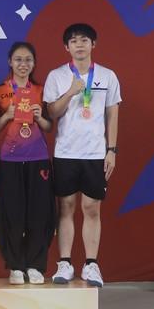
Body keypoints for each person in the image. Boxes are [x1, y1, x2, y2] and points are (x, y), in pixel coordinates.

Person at [44, 23, 121, 287]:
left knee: (91, 208)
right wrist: (70, 92)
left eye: (84, 40)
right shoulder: (57, 76)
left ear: (93, 44)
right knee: (65, 207)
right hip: (65, 151)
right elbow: (52, 113)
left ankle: (91, 265)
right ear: (66, 47)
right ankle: (65, 263)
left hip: (95, 153)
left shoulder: (107, 76)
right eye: (74, 41)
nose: (79, 44)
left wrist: (111, 150)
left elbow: (112, 114)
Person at [0, 42, 55, 284]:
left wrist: (39, 117)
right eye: (18, 59)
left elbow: (49, 126)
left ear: (34, 63)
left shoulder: (41, 90)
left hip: (38, 159)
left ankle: (35, 265)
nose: (23, 64)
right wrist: (7, 115)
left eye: (28, 60)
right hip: (10, 159)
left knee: (39, 213)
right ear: (10, 62)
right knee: (12, 214)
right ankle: (15, 265)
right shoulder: (0, 91)